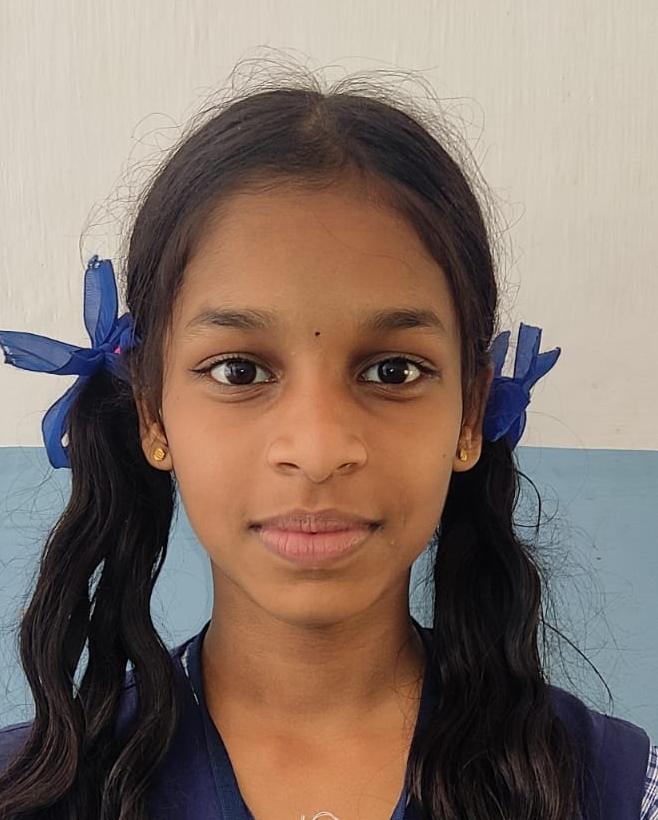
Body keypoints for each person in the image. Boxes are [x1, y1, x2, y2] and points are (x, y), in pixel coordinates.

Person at [0, 76, 655, 820]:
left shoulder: (612, 787)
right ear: (153, 414)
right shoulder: (33, 793)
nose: (316, 450)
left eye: (393, 371)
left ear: (469, 415)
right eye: (239, 371)